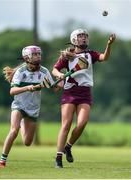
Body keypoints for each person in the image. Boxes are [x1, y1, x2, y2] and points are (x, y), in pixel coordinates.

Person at [52, 28, 116, 168]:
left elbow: (104, 57)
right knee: (66, 125)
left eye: (85, 36)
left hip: (85, 93)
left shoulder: (90, 54)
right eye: (81, 36)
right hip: (69, 92)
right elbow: (54, 69)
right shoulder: (67, 56)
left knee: (81, 124)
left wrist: (109, 44)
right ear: (74, 39)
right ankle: (58, 158)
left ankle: (68, 146)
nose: (84, 38)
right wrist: (59, 75)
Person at [0, 45, 56, 168]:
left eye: (39, 54)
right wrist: (27, 88)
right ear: (27, 57)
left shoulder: (44, 71)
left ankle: (23, 123)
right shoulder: (21, 72)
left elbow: (54, 87)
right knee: (14, 130)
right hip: (19, 106)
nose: (38, 56)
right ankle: (2, 160)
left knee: (28, 142)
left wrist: (60, 82)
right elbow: (12, 91)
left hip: (33, 109)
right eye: (35, 54)